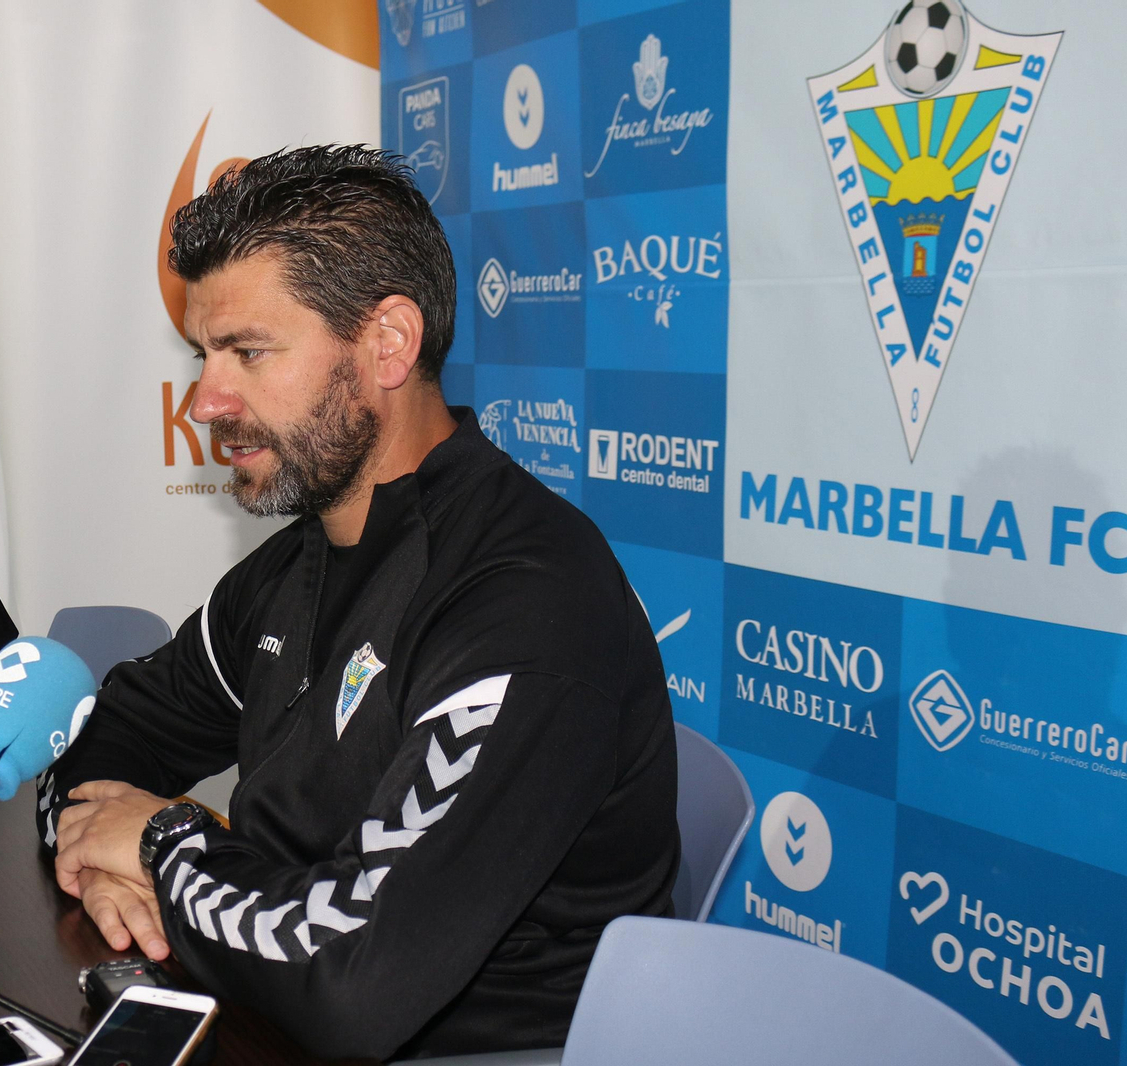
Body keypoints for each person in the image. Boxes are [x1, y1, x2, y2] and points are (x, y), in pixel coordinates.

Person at [37, 145, 679, 1061]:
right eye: (203, 356)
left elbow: (356, 985)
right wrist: (98, 840)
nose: (206, 401)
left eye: (248, 353)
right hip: (272, 1003)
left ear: (388, 343)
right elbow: (116, 728)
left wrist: (163, 847)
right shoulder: (299, 560)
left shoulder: (527, 603)